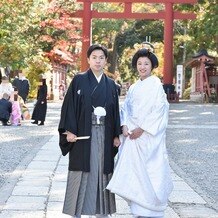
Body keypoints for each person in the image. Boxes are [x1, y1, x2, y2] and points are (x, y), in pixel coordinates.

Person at [107, 48, 173, 218]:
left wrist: (143, 128)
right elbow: (126, 109)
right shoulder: (134, 87)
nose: (142, 67)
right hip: (133, 137)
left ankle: (151, 209)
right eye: (139, 64)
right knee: (134, 174)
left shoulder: (156, 85)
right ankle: (138, 209)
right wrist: (124, 126)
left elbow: (160, 110)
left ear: (152, 66)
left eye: (146, 63)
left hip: (148, 136)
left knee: (150, 171)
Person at [58, 44, 121, 218]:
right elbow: (69, 107)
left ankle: (102, 212)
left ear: (106, 60)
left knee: (102, 169)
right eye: (94, 57)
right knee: (82, 169)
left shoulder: (112, 85)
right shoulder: (78, 80)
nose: (98, 61)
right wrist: (68, 131)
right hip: (83, 135)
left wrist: (116, 134)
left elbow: (115, 111)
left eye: (101, 57)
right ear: (88, 59)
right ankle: (76, 211)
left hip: (105, 135)